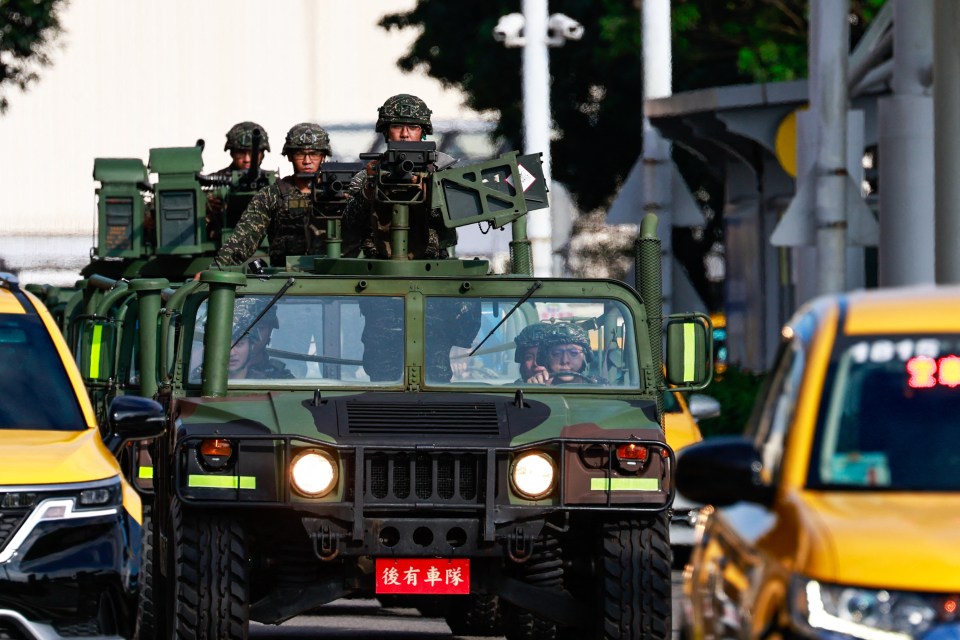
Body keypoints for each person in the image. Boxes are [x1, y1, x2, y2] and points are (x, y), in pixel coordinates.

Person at [341, 94, 458, 260]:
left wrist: (431, 198)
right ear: (386, 132)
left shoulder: (441, 172)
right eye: (397, 126)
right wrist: (369, 191)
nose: (405, 134)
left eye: (413, 127)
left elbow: (453, 223)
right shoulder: (369, 175)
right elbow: (349, 225)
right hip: (379, 267)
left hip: (431, 266)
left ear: (423, 132)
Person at [216, 122, 331, 267]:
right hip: (285, 278)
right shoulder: (272, 194)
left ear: (323, 156)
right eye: (299, 153)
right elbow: (244, 238)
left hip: (335, 275)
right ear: (289, 156)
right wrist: (216, 268)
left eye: (314, 154)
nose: (307, 161)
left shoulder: (339, 193)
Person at [206, 121, 271, 242]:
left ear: (262, 154)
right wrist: (207, 205)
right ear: (232, 153)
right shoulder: (213, 181)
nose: (247, 159)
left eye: (253, 153)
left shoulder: (271, 181)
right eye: (241, 153)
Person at [227, 298, 293, 380]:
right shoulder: (212, 371)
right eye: (244, 329)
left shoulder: (280, 377)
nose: (253, 334)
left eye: (260, 327)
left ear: (270, 330)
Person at [524, 322, 603, 385]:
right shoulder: (533, 384)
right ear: (546, 358)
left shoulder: (600, 386)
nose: (565, 361)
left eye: (573, 353)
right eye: (556, 354)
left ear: (585, 357)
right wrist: (534, 388)